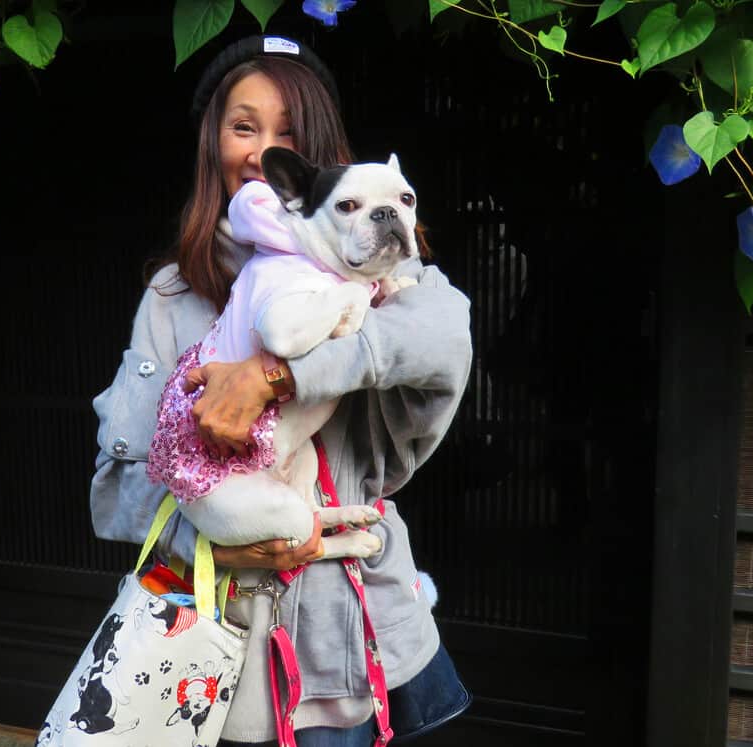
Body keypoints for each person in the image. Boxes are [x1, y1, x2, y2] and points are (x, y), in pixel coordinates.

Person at [90, 34, 473, 747]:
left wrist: (280, 373)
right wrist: (210, 535)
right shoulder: (172, 297)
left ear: (313, 158)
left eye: (288, 131)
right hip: (214, 653)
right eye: (244, 126)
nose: (261, 148)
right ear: (215, 143)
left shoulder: (378, 268)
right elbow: (120, 485)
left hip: (346, 640)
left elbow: (449, 338)